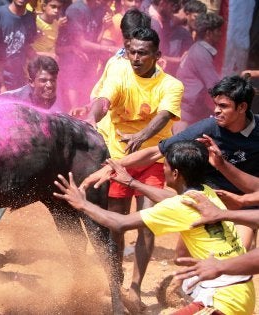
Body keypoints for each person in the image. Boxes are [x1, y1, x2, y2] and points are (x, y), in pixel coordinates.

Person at [54, 140, 255, 314]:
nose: (163, 169)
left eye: (165, 166)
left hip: (223, 300)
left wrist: (83, 204)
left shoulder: (178, 207)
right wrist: (132, 182)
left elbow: (119, 223)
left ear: (175, 173)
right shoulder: (206, 193)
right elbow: (174, 199)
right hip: (240, 292)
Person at [82, 75, 259, 257]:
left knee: (237, 254)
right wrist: (113, 165)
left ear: (242, 107)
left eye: (223, 106)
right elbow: (156, 152)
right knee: (182, 257)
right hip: (207, 200)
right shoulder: (208, 127)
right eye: (215, 104)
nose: (216, 111)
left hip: (245, 205)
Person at [75, 27, 183, 312]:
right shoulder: (119, 72)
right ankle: (118, 280)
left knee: (147, 222)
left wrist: (140, 136)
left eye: (142, 53)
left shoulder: (172, 85)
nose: (135, 57)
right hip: (116, 160)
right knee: (116, 223)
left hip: (152, 160)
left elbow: (163, 117)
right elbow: (104, 100)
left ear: (157, 56)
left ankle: (135, 286)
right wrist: (89, 118)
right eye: (131, 51)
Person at [173, 12, 223, 132]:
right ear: (208, 33)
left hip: (191, 110)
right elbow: (215, 86)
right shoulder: (201, 53)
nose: (221, 34)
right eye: (218, 31)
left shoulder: (198, 48)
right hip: (186, 114)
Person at [0, 0, 37, 91]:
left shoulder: (30, 18)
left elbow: (26, 47)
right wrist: (1, 85)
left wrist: (42, 63)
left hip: (17, 78)